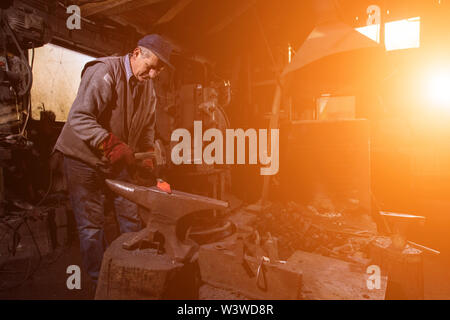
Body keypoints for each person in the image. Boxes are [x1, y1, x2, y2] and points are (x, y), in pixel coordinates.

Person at [54, 34, 174, 283]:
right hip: (82, 157)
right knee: (91, 224)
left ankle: (132, 268)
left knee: (130, 211)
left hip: (116, 156)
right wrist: (110, 143)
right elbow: (79, 118)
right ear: (136, 53)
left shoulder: (148, 87)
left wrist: (147, 156)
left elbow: (147, 128)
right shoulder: (104, 72)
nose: (152, 75)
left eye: (157, 71)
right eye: (150, 67)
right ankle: (102, 280)